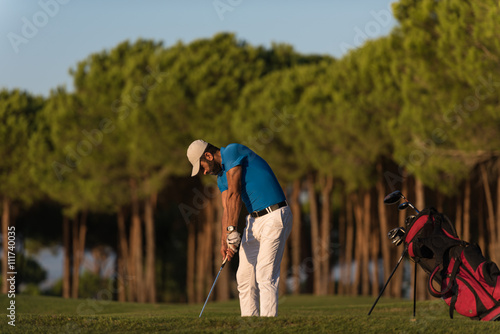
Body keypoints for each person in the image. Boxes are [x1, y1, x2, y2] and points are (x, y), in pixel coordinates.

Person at [187, 139, 293, 317]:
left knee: (265, 275)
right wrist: (225, 241)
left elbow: (235, 193)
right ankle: (250, 322)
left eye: (203, 166)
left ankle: (267, 326)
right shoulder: (222, 178)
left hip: (274, 215)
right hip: (254, 221)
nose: (204, 172)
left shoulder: (232, 151)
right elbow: (227, 207)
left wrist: (232, 230)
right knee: (244, 277)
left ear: (208, 155)